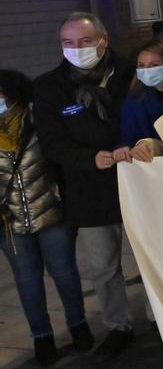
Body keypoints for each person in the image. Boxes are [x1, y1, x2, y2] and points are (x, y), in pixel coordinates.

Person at [31, 12, 135, 361]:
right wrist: (90, 158)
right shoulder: (49, 87)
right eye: (68, 43)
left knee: (153, 257)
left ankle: (161, 317)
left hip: (139, 180)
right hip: (88, 188)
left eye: (85, 41)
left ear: (104, 40)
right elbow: (51, 143)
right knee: (104, 267)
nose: (77, 49)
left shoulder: (132, 73)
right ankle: (118, 326)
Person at [0, 70, 93, 366]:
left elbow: (61, 162)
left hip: (52, 213)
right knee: (27, 280)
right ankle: (42, 337)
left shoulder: (40, 122)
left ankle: (78, 325)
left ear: (15, 96)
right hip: (8, 222)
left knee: (64, 273)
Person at [117, 41, 163, 155]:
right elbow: (129, 141)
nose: (147, 70)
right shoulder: (134, 102)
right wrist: (132, 149)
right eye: (141, 66)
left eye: (154, 65)